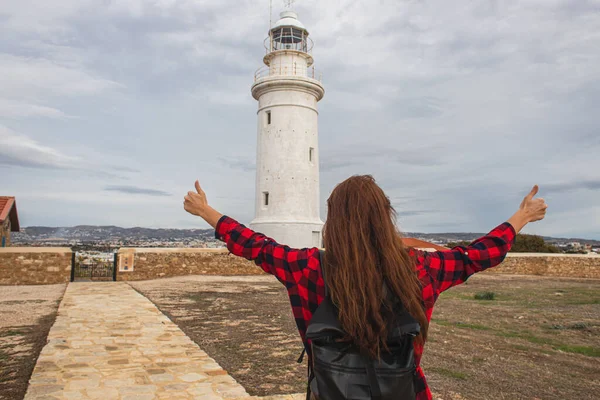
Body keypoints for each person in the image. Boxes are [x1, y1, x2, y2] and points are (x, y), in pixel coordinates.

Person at [183, 175, 548, 400]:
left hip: (329, 391)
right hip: (405, 392)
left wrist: (206, 211)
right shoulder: (421, 268)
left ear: (334, 220)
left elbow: (256, 245)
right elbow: (477, 254)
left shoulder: (309, 267)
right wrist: (522, 217)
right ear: (384, 215)